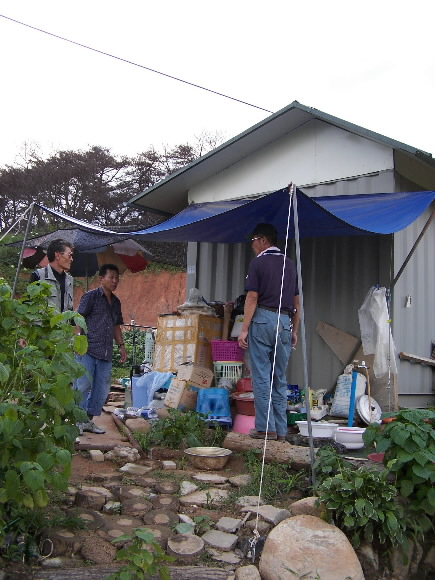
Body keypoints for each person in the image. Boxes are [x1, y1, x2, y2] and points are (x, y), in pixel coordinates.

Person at [238, 223, 300, 442]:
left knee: (262, 377)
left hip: (263, 319)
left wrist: (244, 329)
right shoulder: (290, 264)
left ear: (263, 240)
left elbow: (252, 297)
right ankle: (281, 431)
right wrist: (294, 329)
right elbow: (296, 302)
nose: (252, 245)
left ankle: (266, 429)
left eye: (253, 240)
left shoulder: (258, 263)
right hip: (285, 322)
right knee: (279, 378)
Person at [74, 264, 127, 435]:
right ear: (101, 279)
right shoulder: (90, 297)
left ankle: (87, 421)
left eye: (117, 278)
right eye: (111, 277)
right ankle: (77, 421)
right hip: (87, 349)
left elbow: (116, 326)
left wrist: (121, 346)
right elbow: (78, 318)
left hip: (106, 352)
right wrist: (78, 341)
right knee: (82, 386)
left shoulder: (116, 302)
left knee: (102, 390)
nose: (114, 281)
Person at [30, 238, 74, 312]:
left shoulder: (69, 280)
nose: (72, 259)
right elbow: (32, 309)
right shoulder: (39, 276)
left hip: (64, 323)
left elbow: (70, 309)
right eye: (69, 255)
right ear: (57, 255)